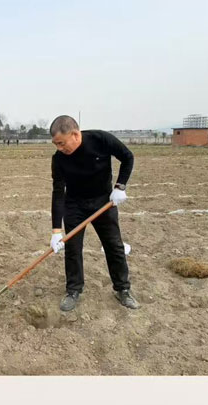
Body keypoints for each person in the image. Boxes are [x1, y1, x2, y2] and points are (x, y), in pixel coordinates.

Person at [49, 115, 138, 312]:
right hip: (74, 204)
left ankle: (123, 289)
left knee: (114, 245)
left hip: (103, 202)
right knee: (73, 248)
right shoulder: (59, 159)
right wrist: (56, 230)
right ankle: (73, 290)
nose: (60, 148)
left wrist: (120, 186)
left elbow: (127, 157)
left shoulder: (100, 139)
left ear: (75, 134)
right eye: (56, 145)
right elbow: (58, 192)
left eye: (62, 143)